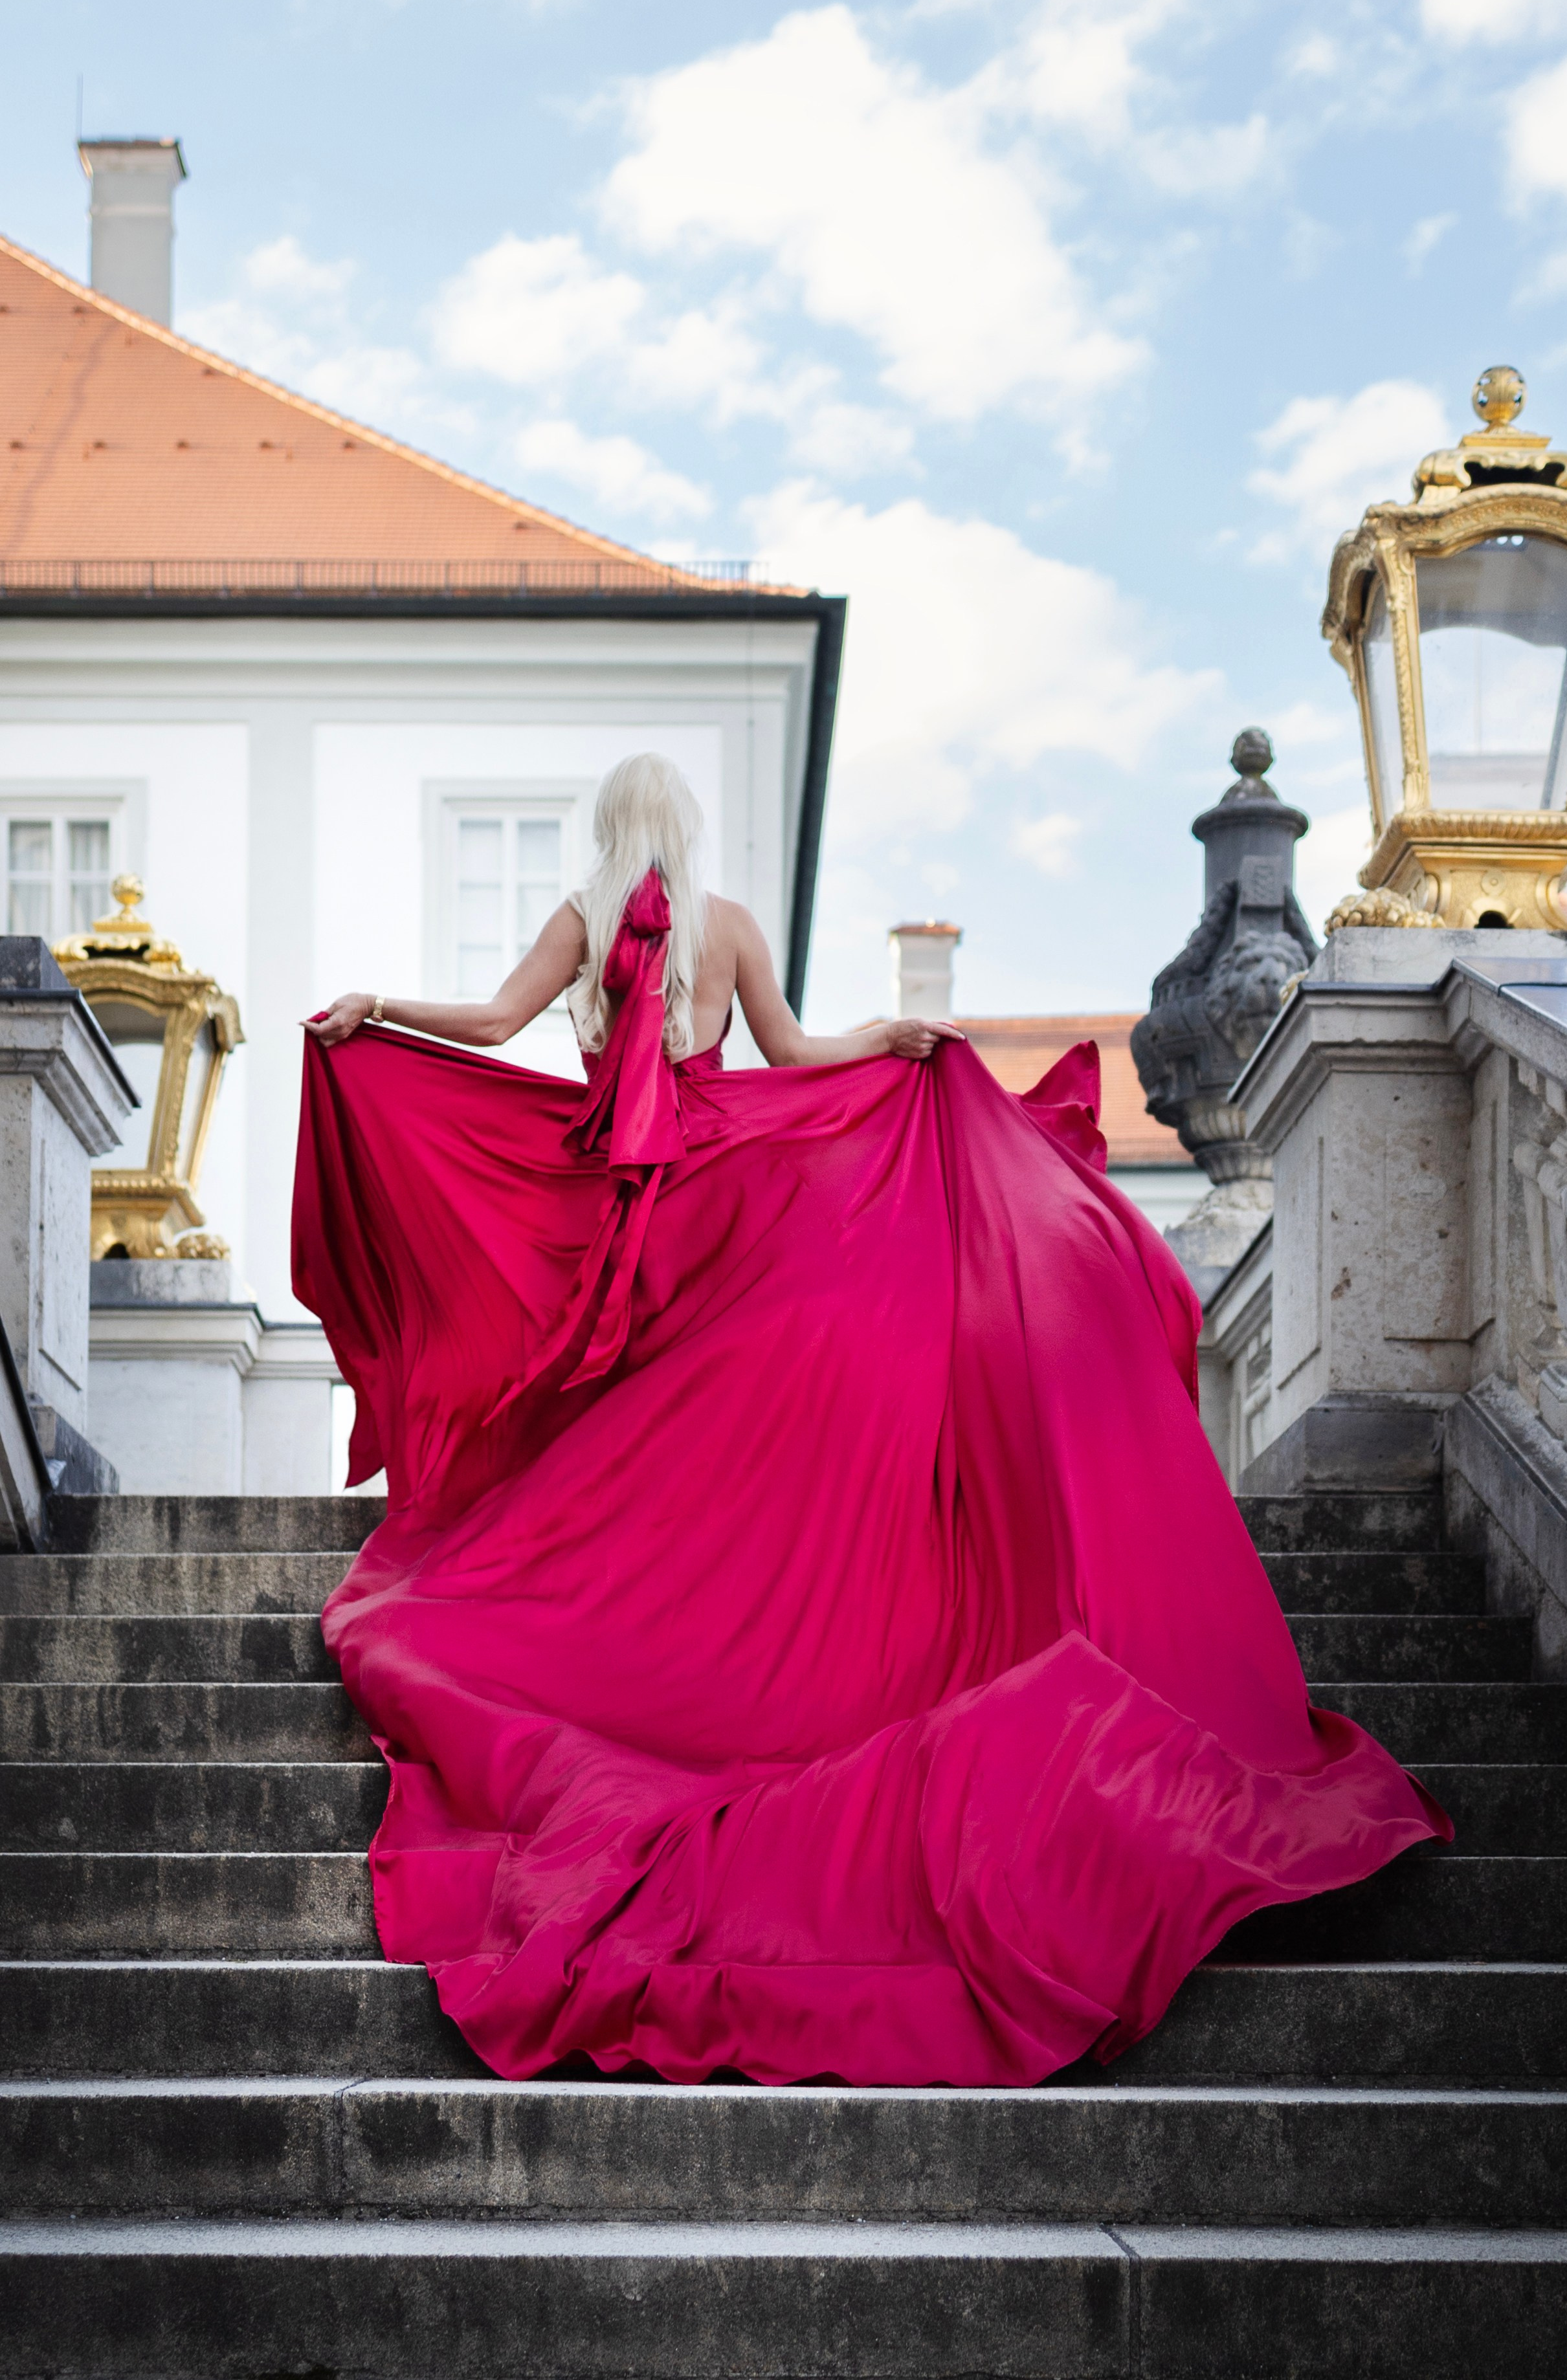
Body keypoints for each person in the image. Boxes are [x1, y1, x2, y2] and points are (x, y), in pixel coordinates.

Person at [295, 751, 1449, 2089]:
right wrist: (889, 1048)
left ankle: (592, 1610)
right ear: (685, 827)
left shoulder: (584, 921)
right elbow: (790, 1054)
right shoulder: (722, 921)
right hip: (721, 1185)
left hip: (611, 1204)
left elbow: (493, 1029)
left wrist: (381, 1013)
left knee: (604, 1423)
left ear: (608, 830)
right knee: (731, 1409)